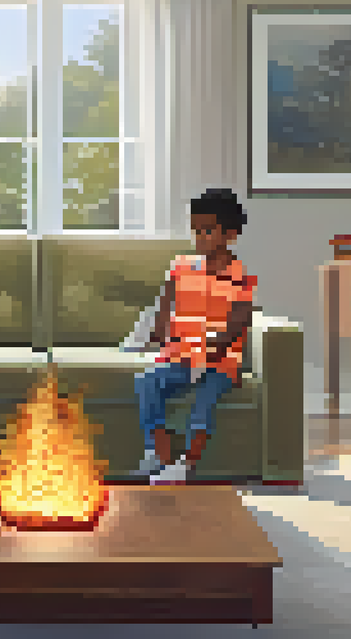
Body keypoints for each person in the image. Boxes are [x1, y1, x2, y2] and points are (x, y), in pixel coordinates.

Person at [132, 188, 257, 484]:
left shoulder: (240, 277)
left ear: (230, 234)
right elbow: (165, 308)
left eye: (207, 231)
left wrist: (210, 351)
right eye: (195, 231)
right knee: (147, 382)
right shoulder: (181, 267)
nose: (199, 238)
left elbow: (238, 323)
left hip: (218, 362)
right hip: (182, 358)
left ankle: (186, 464)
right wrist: (160, 335)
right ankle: (158, 453)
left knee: (205, 401)